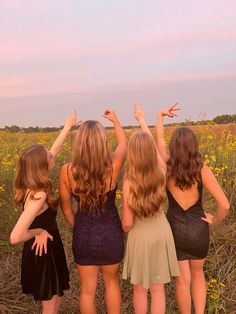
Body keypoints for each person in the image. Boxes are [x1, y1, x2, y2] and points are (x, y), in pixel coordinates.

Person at [155, 103, 230, 314]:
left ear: (174, 147)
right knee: (198, 276)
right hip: (199, 229)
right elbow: (224, 204)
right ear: (194, 145)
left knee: (182, 281)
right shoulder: (202, 169)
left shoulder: (168, 167)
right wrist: (214, 219)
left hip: (175, 230)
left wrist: (160, 116)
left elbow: (159, 140)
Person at [59, 109, 127, 314]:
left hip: (83, 234)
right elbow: (124, 145)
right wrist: (116, 121)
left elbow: (66, 208)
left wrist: (79, 225)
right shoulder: (113, 165)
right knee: (112, 284)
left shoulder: (67, 171)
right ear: (102, 141)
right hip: (111, 233)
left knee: (87, 291)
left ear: (79, 143)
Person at [10, 114, 76, 314]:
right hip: (42, 250)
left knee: (57, 297)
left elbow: (55, 148)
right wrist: (38, 230)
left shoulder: (34, 184)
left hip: (49, 245)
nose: (53, 155)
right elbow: (15, 237)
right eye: (49, 156)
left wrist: (67, 126)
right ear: (42, 165)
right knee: (50, 301)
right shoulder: (38, 195)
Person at [122, 105, 179, 314]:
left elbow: (127, 223)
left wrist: (124, 230)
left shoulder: (129, 180)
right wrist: (143, 120)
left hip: (140, 234)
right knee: (158, 289)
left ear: (132, 154)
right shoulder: (162, 171)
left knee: (139, 289)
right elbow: (157, 148)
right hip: (161, 231)